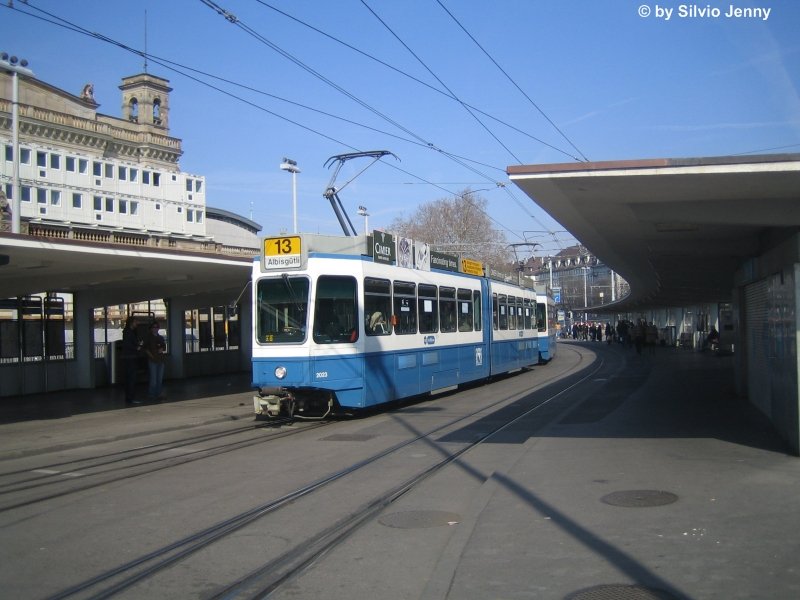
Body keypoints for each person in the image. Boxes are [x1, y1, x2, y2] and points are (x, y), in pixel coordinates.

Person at [143, 321, 167, 400]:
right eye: (154, 327)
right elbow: (145, 348)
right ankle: (152, 394)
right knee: (153, 379)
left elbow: (164, 347)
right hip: (153, 360)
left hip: (160, 360)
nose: (155, 329)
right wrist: (151, 356)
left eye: (157, 327)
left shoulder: (160, 337)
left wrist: (162, 349)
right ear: (151, 329)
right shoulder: (148, 338)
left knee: (159, 378)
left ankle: (158, 393)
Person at [121, 316, 142, 404]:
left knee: (129, 378)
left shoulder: (127, 332)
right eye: (136, 321)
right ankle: (130, 398)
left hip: (128, 357)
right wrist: (137, 347)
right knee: (131, 378)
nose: (137, 323)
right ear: (132, 322)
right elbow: (129, 345)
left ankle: (129, 397)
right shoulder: (129, 333)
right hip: (130, 357)